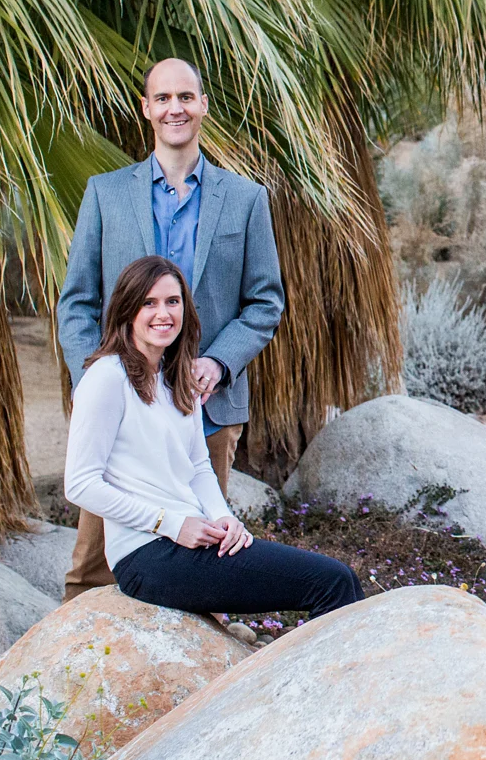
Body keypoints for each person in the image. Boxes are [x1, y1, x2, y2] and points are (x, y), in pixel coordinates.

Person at [57, 58, 284, 601]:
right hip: (121, 418)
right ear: (147, 109)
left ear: (202, 105)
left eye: (186, 96)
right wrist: (105, 380)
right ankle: (68, 679)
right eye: (162, 98)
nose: (174, 108)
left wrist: (219, 361)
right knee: (92, 568)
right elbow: (76, 303)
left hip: (207, 409)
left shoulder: (246, 199)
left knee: (206, 558)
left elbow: (265, 301)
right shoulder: (106, 194)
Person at [64, 256, 361, 619]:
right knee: (332, 583)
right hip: (148, 554)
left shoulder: (177, 378)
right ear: (127, 311)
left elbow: (198, 465)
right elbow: (80, 484)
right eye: (149, 303)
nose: (164, 314)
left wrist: (223, 517)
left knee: (338, 579)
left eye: (173, 302)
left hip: (192, 537)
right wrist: (171, 524)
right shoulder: (106, 378)